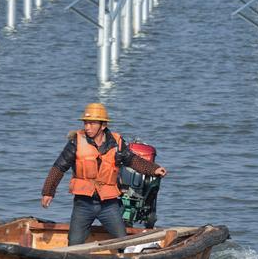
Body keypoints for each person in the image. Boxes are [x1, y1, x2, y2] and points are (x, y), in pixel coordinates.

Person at [41, 103, 167, 246]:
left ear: (103, 125)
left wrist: (153, 169)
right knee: (74, 243)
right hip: (83, 203)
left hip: (108, 204)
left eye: (92, 123)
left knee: (123, 241)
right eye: (85, 123)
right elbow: (59, 167)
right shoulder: (76, 142)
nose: (87, 127)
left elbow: (132, 160)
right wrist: (48, 192)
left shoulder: (117, 143)